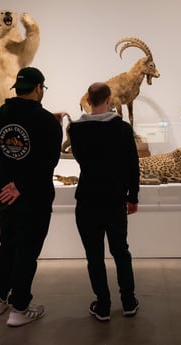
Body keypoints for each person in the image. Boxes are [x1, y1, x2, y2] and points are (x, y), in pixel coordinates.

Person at [0, 66, 63, 327]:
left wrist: (10, 184)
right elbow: (47, 162)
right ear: (39, 88)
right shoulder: (47, 123)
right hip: (34, 196)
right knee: (27, 251)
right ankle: (19, 307)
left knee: (7, 243)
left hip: (4, 194)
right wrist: (21, 185)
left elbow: (2, 155)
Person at [68, 82, 140, 322]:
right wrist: (133, 197)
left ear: (88, 100)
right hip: (114, 199)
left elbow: (80, 159)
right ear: (109, 100)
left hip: (87, 199)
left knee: (94, 255)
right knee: (121, 251)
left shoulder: (75, 130)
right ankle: (128, 302)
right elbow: (132, 165)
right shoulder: (122, 128)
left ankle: (104, 305)